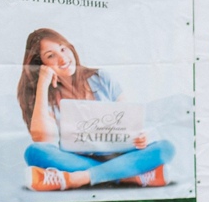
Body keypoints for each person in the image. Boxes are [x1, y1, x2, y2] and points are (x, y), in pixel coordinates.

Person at [16, 28, 175, 191]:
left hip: (119, 154)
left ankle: (76, 178)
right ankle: (127, 176)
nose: (62, 58)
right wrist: (43, 83)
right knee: (34, 152)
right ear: (40, 65)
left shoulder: (101, 78)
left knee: (165, 148)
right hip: (77, 159)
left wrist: (139, 137)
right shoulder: (45, 95)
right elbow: (42, 138)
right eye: (51, 55)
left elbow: (128, 121)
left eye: (63, 49)